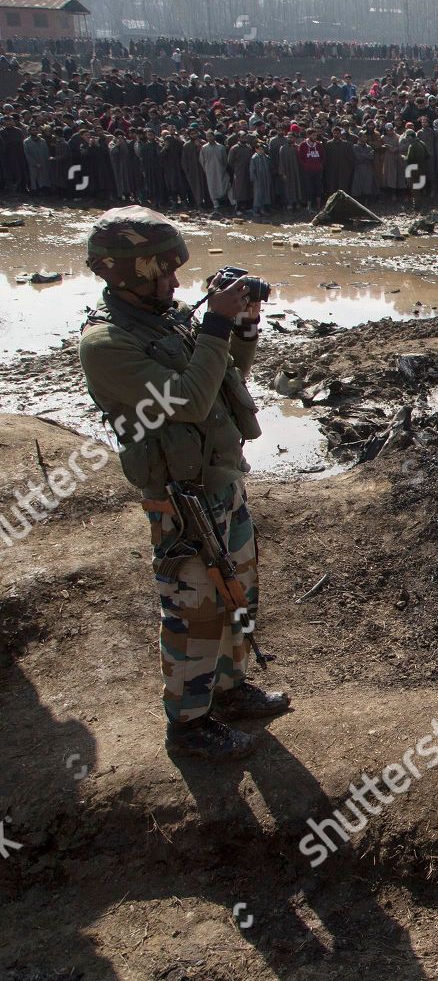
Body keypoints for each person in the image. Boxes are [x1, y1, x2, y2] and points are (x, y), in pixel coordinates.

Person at [77, 207, 290, 762]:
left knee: (237, 591)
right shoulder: (106, 345)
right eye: (163, 273)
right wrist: (215, 325)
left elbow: (226, 375)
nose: (175, 284)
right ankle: (189, 727)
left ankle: (229, 687)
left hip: (223, 483)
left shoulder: (168, 321)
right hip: (180, 501)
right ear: (129, 273)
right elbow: (189, 402)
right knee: (195, 611)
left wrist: (241, 322)